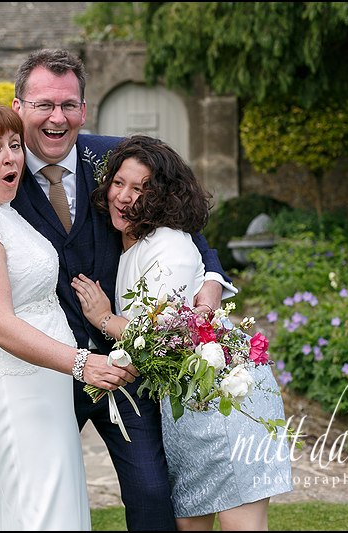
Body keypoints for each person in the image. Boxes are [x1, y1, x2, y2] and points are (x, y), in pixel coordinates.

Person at [0, 48, 236, 531]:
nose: (57, 117)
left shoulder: (115, 158)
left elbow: (182, 218)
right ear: (19, 107)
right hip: (37, 371)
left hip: (120, 365)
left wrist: (211, 280)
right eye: (43, 105)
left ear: (83, 108)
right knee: (32, 499)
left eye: (68, 104)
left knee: (150, 492)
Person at [72, 134, 293, 531]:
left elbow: (163, 340)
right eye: (118, 183)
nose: (124, 197)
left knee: (240, 521)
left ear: (162, 197)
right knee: (189, 522)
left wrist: (104, 318)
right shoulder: (129, 240)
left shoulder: (169, 245)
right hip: (186, 402)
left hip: (225, 394)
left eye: (140, 189)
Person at [0, 103, 138, 530]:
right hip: (15, 389)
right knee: (39, 514)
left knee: (55, 511)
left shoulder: (1, 209)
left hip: (44, 386)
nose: (11, 157)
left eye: (14, 145)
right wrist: (83, 363)